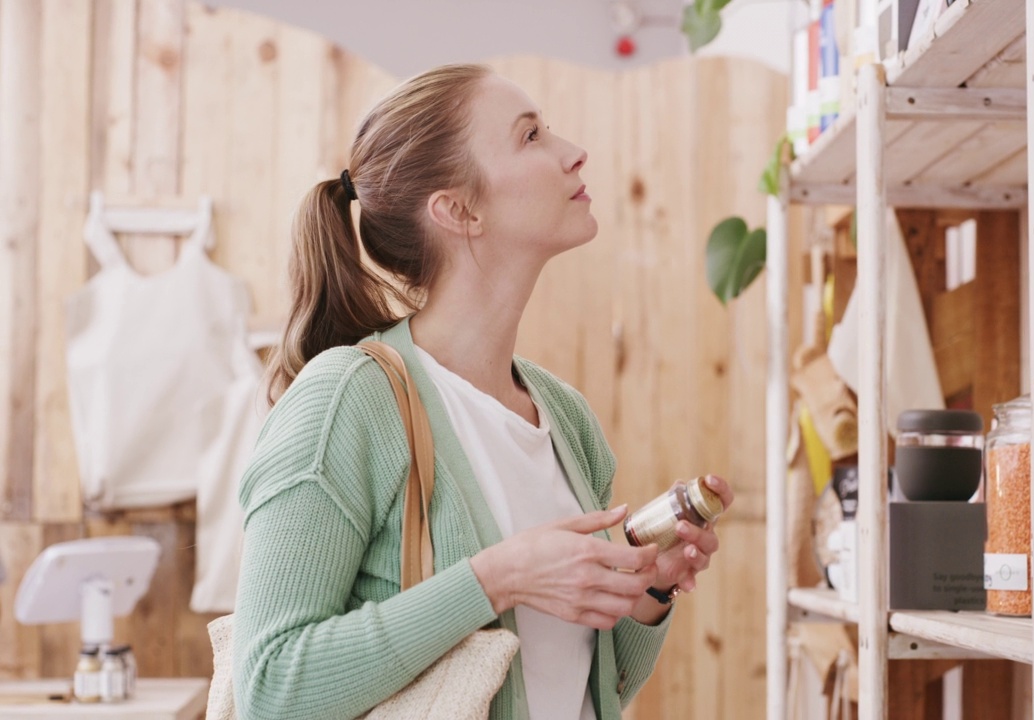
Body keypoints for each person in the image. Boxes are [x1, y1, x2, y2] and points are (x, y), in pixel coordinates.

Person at [231, 63, 733, 720]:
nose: (573, 151)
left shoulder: (564, 417)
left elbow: (595, 689)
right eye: (530, 136)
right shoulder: (347, 402)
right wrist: (495, 580)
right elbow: (269, 688)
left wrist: (647, 596)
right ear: (458, 209)